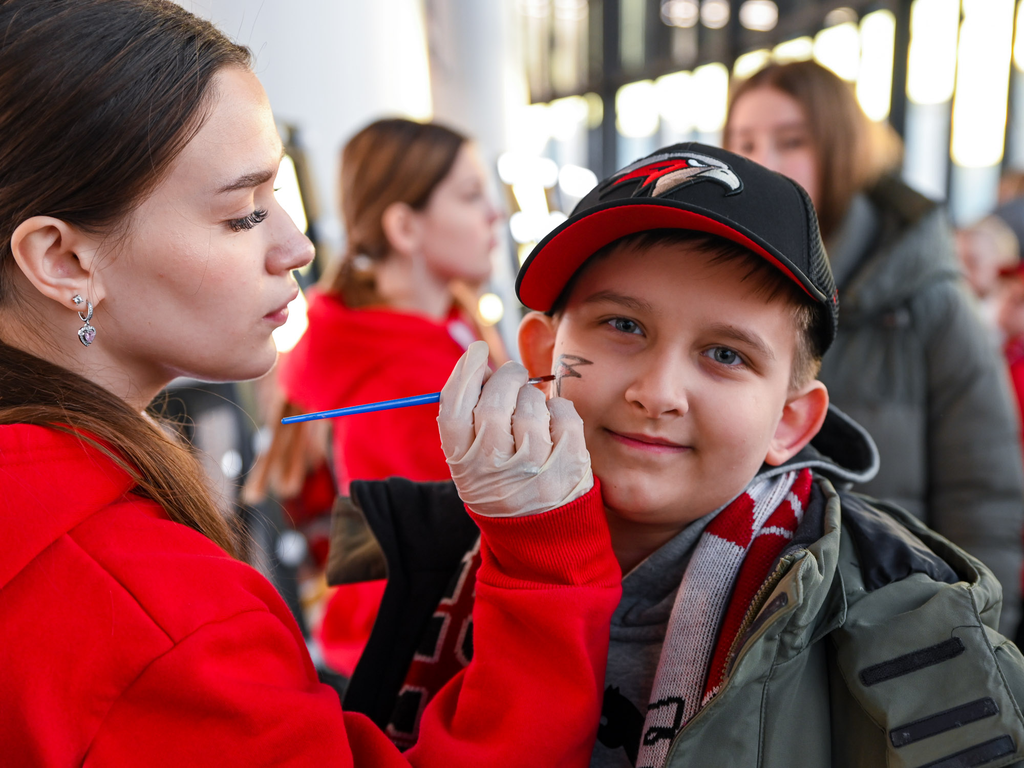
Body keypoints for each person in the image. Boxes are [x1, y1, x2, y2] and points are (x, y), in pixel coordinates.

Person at [0, 1, 622, 765]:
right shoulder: (157, 618)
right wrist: (546, 561)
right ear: (64, 262)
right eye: (243, 214)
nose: (294, 244)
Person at [333, 143, 1024, 767]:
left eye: (725, 355)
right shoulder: (415, 543)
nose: (657, 392)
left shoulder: (906, 616)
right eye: (622, 325)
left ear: (789, 421)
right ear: (543, 354)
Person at [724, 60, 1024, 635]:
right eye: (745, 142)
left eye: (792, 141)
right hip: (752, 636)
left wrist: (979, 646)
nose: (764, 161)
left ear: (840, 149)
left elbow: (984, 496)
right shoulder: (724, 286)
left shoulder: (927, 297)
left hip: (897, 640)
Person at [246, 118, 506, 677]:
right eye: (469, 196)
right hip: (416, 657)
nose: (495, 213)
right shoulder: (400, 371)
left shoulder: (446, 325)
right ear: (405, 227)